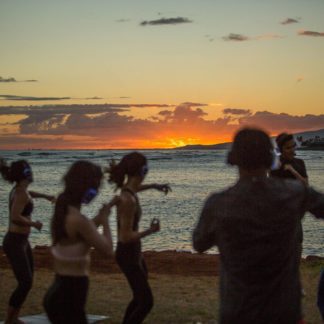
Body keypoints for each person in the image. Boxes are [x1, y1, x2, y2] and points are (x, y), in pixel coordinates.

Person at [193, 127, 324, 324]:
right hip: (284, 312)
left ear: (233, 159)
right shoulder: (295, 194)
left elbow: (199, 243)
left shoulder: (218, 204)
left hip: (237, 312)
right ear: (271, 158)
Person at [42, 160, 115, 324]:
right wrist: (105, 220)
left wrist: (100, 216)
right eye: (97, 186)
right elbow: (108, 251)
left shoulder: (64, 212)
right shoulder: (80, 220)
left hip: (59, 294)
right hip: (70, 298)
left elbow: (85, 234)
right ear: (87, 189)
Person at [107, 152, 170, 324]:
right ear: (142, 170)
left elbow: (135, 188)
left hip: (134, 253)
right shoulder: (128, 200)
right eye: (146, 169)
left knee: (139, 298)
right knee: (146, 302)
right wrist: (151, 230)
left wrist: (154, 186)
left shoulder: (128, 191)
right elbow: (125, 236)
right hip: (127, 254)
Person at [0, 159, 55, 324]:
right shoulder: (21, 193)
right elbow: (15, 217)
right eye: (29, 169)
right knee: (25, 282)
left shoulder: (21, 190)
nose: (31, 171)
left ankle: (13, 317)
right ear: (25, 173)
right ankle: (11, 319)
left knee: (28, 281)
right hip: (15, 241)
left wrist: (46, 196)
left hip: (21, 241)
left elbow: (30, 195)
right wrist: (34, 223)